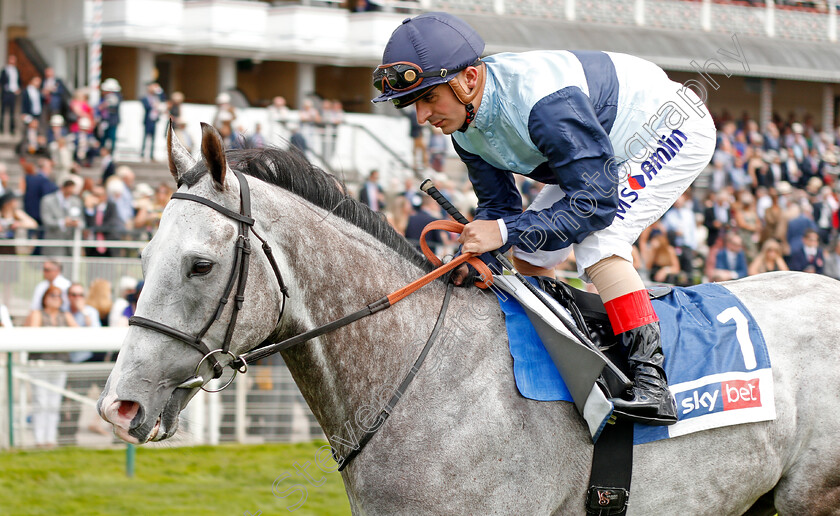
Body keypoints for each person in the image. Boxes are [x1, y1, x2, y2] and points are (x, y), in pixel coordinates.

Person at [372, 12, 716, 425]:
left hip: (663, 126)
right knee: (532, 254)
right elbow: (500, 210)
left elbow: (595, 204)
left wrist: (499, 231)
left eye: (429, 99)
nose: (422, 117)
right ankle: (583, 353)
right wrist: (476, 255)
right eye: (414, 104)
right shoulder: (462, 124)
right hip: (601, 148)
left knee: (600, 242)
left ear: (468, 79)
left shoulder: (543, 103)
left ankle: (651, 382)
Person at [24, 285, 78, 448]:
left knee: (54, 402)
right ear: (45, 298)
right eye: (52, 295)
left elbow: (78, 332)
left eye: (59, 296)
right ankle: (39, 440)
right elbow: (33, 335)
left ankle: (50, 439)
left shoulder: (65, 315)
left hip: (59, 363)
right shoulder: (37, 314)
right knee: (41, 401)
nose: (56, 298)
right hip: (40, 363)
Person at [39, 178, 83, 256]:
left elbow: (82, 221)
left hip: (71, 243)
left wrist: (77, 223)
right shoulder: (47, 200)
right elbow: (46, 220)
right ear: (63, 188)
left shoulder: (76, 201)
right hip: (55, 242)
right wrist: (63, 223)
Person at [0, 55, 20, 134]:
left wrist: (18, 89)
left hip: (13, 93)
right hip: (6, 92)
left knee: (12, 111)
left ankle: (12, 128)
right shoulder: (5, 70)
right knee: (3, 111)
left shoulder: (16, 70)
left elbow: (18, 81)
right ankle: (1, 128)